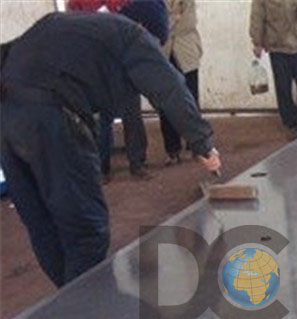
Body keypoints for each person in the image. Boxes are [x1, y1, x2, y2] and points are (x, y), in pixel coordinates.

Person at [0, 11, 221, 287]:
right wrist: (203, 143)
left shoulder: (69, 25)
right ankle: (84, 307)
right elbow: (169, 87)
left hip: (6, 118)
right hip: (51, 120)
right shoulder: (132, 35)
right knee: (86, 233)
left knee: (43, 225)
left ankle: (66, 300)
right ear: (145, 26)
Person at [68, 0, 169, 180]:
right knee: (104, 119)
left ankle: (135, 164)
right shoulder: (79, 3)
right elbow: (73, 23)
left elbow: (140, 15)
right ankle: (104, 168)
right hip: (100, 64)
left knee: (129, 116)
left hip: (122, 61)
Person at [249, 0, 297, 136]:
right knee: (283, 89)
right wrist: (257, 41)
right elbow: (257, 14)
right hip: (278, 48)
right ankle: (290, 124)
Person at [160, 0, 203, 166]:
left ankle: (197, 145)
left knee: (191, 100)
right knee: (165, 103)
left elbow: (188, 22)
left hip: (186, 53)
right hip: (164, 54)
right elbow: (154, 22)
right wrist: (174, 18)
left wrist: (167, 22)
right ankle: (172, 149)